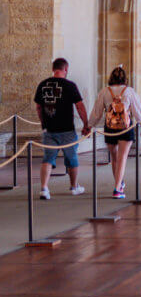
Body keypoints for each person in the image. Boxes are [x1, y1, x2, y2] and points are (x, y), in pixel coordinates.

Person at [84, 66, 141, 200]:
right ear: (125, 78)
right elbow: (137, 109)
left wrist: (89, 126)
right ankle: (117, 188)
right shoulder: (129, 91)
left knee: (114, 158)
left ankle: (119, 183)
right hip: (125, 126)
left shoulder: (104, 91)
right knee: (122, 157)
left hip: (110, 127)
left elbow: (97, 112)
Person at [33, 58, 89, 200]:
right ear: (66, 69)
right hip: (67, 130)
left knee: (48, 158)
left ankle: (44, 189)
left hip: (50, 129)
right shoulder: (70, 85)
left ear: (53, 69)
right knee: (72, 158)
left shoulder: (43, 85)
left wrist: (43, 123)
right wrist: (86, 124)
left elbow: (39, 107)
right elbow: (80, 106)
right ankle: (74, 187)